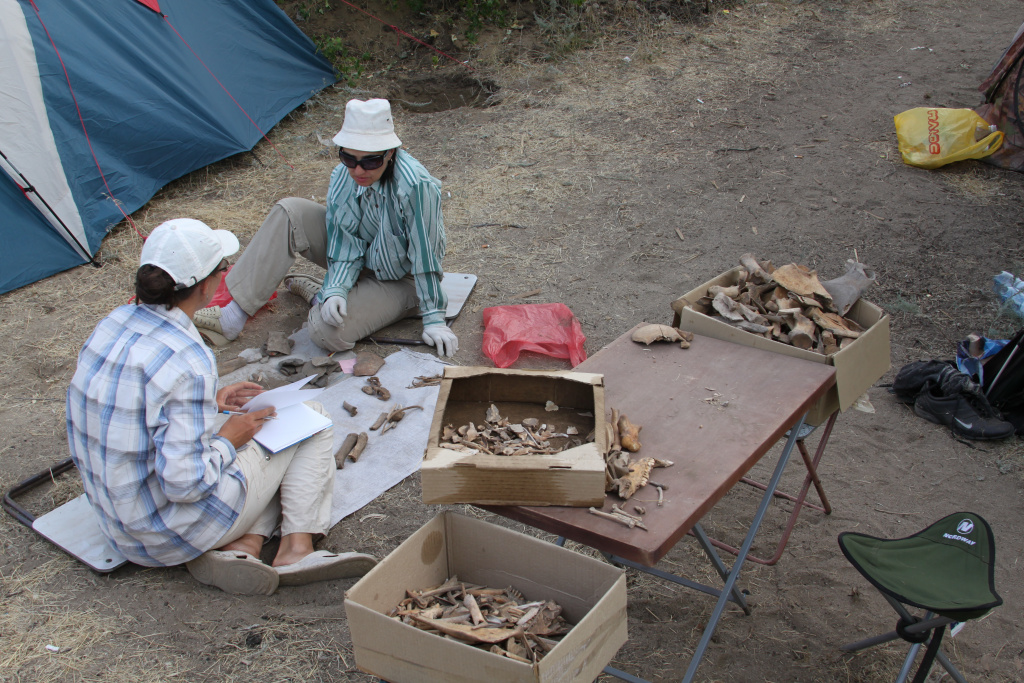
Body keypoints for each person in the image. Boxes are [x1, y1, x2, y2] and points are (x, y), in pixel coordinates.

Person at [66, 218, 376, 595]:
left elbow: (134, 408)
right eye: (223, 269)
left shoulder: (112, 323)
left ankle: (243, 546)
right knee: (311, 418)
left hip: (119, 526)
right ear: (205, 285)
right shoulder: (188, 356)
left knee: (256, 430)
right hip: (171, 534)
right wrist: (229, 439)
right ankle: (296, 549)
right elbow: (186, 484)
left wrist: (209, 402)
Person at [192, 98, 459, 357]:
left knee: (325, 331)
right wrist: (336, 289)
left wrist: (434, 318)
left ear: (390, 153)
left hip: (401, 279)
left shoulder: (416, 186)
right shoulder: (343, 175)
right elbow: (344, 244)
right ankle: (234, 315)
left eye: (370, 161)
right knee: (289, 211)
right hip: (363, 260)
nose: (358, 170)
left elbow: (425, 255)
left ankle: (320, 297)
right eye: (348, 157)